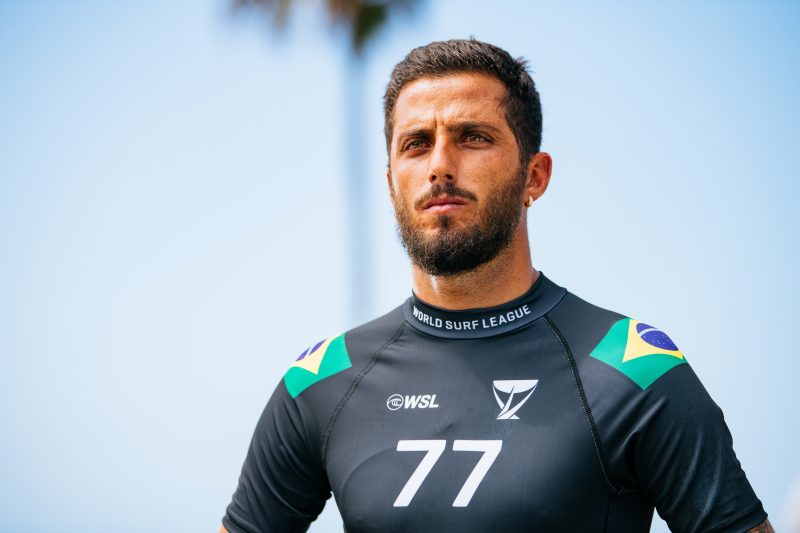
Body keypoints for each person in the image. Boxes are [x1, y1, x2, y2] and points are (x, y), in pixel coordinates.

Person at [220, 39, 771, 532]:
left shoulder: (634, 371)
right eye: (416, 144)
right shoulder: (321, 382)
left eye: (473, 137)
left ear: (535, 176)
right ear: (391, 184)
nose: (440, 164)